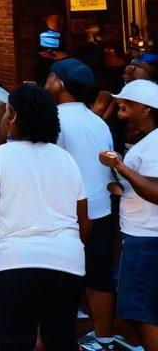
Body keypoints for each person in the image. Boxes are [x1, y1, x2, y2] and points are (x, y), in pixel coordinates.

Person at [0, 83, 88, 351]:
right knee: (61, 341)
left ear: (14, 117)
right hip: (66, 262)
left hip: (15, 261)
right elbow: (83, 216)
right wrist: (74, 249)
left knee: (15, 342)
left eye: (7, 110)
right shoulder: (66, 159)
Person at [43, 58, 120, 351]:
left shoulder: (54, 120)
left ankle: (63, 337)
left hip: (70, 211)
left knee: (64, 276)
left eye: (50, 78)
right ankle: (104, 338)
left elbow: (52, 168)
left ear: (59, 84)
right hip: (100, 207)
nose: (46, 83)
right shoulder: (96, 121)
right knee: (99, 275)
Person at [99, 78, 158, 351]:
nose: (120, 104)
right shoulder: (147, 140)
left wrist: (120, 166)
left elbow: (156, 192)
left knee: (141, 311)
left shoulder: (156, 143)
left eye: (128, 102)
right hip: (141, 234)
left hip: (146, 237)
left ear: (147, 109)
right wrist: (120, 185)